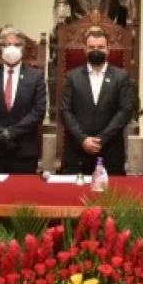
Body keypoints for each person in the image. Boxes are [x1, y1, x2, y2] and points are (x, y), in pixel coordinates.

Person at [60, 27, 134, 175]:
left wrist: (101, 139)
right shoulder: (72, 77)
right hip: (77, 151)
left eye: (100, 47)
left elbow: (125, 111)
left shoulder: (121, 77)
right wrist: (83, 139)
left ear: (108, 50)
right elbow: (65, 111)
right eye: (91, 47)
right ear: (85, 50)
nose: (96, 50)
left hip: (110, 152)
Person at [0, 26, 47, 174]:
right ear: (0, 48)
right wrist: (0, 133)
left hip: (24, 151)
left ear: (23, 48)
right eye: (7, 44)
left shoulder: (36, 76)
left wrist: (11, 133)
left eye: (16, 44)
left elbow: (38, 111)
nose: (11, 48)